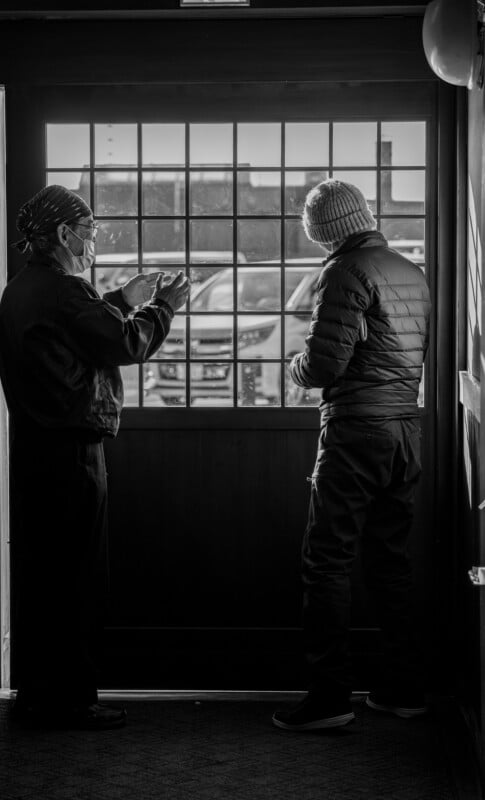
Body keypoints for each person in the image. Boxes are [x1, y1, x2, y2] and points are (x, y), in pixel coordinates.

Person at [0, 185, 189, 731]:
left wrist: (121, 300)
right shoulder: (63, 290)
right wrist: (162, 307)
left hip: (35, 448)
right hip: (70, 453)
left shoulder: (23, 288)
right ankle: (73, 700)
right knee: (75, 577)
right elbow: (124, 344)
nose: (93, 242)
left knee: (43, 575)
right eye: (90, 232)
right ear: (64, 234)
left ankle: (38, 695)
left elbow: (79, 329)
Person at [272, 180, 431, 732]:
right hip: (404, 431)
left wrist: (293, 368)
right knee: (391, 563)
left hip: (356, 431)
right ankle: (403, 688)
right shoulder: (410, 270)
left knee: (326, 561)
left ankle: (329, 697)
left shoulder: (343, 272)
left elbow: (323, 365)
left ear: (325, 231)